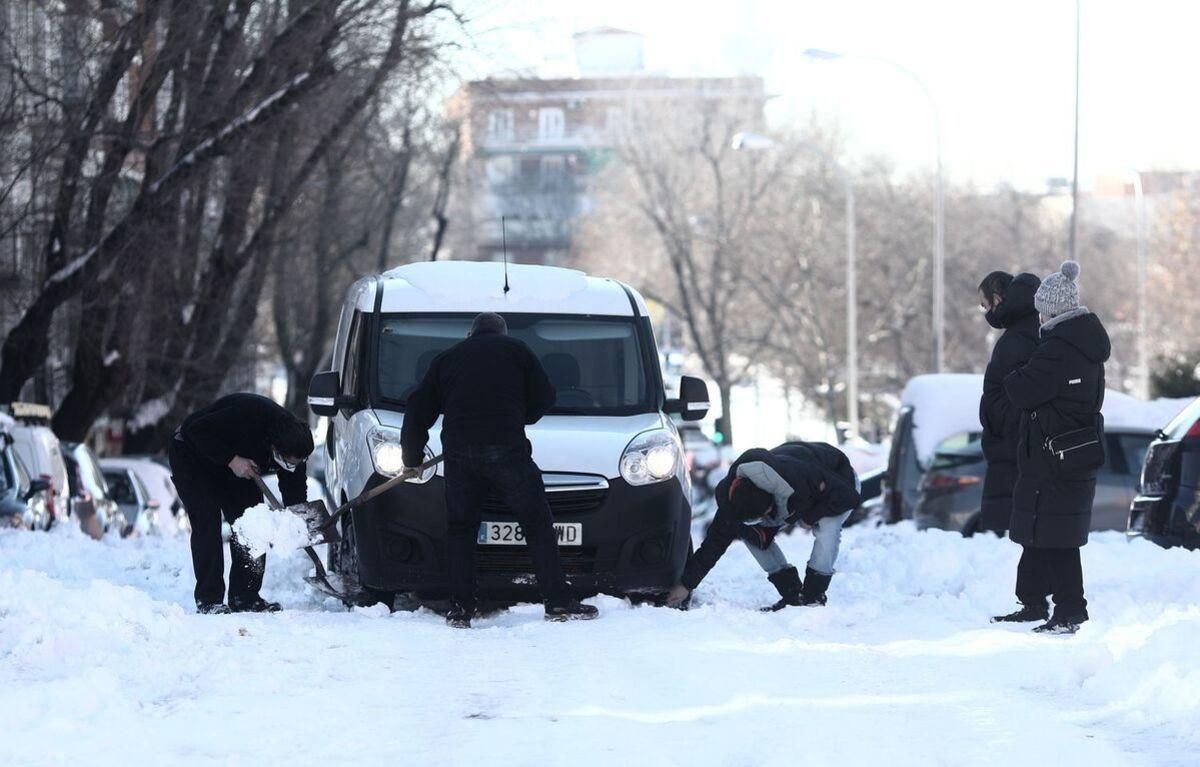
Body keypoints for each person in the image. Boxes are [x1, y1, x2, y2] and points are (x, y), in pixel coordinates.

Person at [400, 312, 599, 628]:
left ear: (471, 333)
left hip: (460, 454)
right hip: (507, 449)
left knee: (462, 529)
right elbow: (545, 397)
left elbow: (417, 409)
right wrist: (520, 415)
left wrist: (411, 457)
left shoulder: (448, 359)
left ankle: (461, 608)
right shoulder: (517, 351)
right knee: (536, 523)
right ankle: (558, 601)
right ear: (502, 333)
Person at [994, 261, 1109, 634]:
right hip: (1069, 452)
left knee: (1056, 536)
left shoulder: (1057, 348)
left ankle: (1069, 610)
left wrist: (1015, 373)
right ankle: (1034, 601)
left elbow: (1020, 389)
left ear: (1052, 309)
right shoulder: (1085, 344)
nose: (1039, 315)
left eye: (1042, 309)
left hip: (1052, 455)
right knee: (1042, 531)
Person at [666, 442, 862, 611]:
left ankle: (813, 597)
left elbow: (849, 497)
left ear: (772, 500)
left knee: (827, 529)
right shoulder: (732, 502)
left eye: (766, 515)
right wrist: (685, 585)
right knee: (749, 533)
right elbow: (713, 544)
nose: (767, 521)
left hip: (840, 480)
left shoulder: (799, 477)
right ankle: (792, 594)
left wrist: (811, 517)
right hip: (795, 491)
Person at [168, 393, 314, 614]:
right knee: (207, 524)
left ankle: (245, 597)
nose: (292, 466)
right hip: (192, 454)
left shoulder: (296, 446)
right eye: (287, 461)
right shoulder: (249, 415)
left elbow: (294, 490)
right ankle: (209, 600)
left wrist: (297, 519)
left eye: (297, 463)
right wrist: (232, 460)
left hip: (241, 466)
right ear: (274, 446)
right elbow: (195, 430)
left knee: (253, 524)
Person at [977, 270, 1042, 535]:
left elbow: (1018, 397)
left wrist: (999, 422)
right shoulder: (1028, 328)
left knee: (1003, 539)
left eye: (985, 305)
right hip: (1012, 449)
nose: (985, 312)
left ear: (997, 297)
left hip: (1010, 453)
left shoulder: (1019, 336)